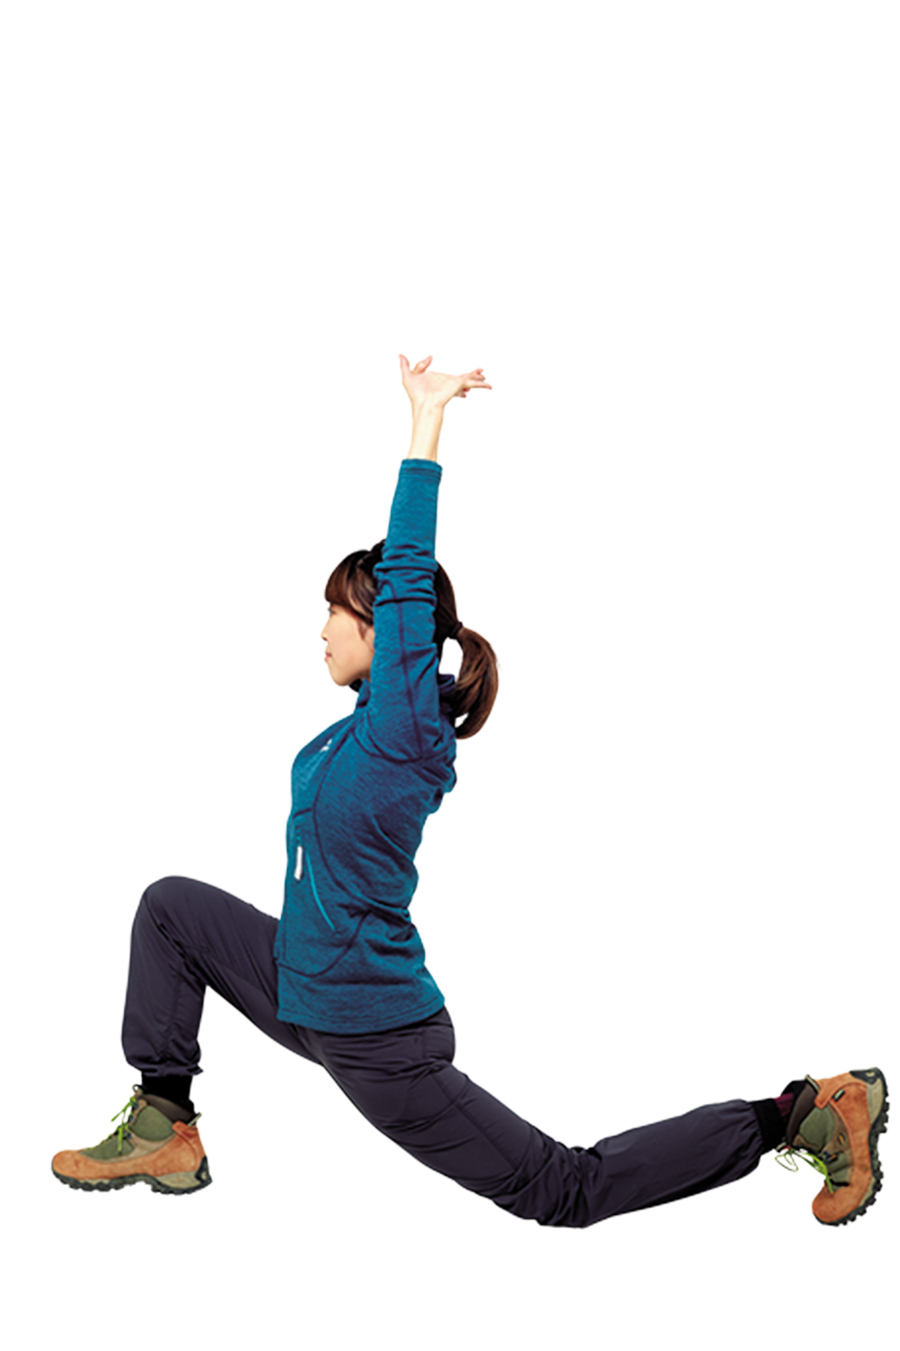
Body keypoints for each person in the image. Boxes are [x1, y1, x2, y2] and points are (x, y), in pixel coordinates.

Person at [52, 355, 887, 1227]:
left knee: (564, 1188)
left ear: (384, 626)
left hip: (375, 1035)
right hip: (302, 988)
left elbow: (409, 573)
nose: (320, 627)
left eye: (335, 609)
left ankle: (804, 1112)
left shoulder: (404, 728)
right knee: (172, 910)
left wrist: (426, 424)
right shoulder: (348, 733)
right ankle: (166, 1123)